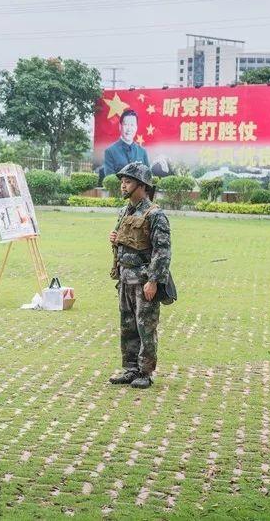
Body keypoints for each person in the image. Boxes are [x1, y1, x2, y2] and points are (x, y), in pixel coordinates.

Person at [107, 162, 172, 389]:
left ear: (142, 186)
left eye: (128, 182)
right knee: (128, 326)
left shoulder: (155, 215)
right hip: (125, 279)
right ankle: (130, 368)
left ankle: (145, 372)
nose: (123, 186)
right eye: (122, 182)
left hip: (144, 281)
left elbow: (162, 251)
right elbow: (125, 242)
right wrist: (115, 239)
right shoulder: (125, 212)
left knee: (145, 327)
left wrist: (153, 281)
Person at [101, 110, 150, 179]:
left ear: (136, 127)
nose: (129, 129)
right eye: (126, 124)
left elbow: (148, 177)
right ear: (120, 126)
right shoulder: (110, 151)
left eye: (132, 125)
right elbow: (110, 179)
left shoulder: (142, 151)